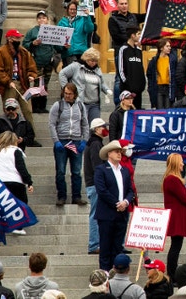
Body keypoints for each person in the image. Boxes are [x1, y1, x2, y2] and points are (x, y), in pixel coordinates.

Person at [94, 139, 136, 270]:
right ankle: (105, 273)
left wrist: (126, 202)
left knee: (118, 246)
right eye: (117, 152)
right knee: (106, 246)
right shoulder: (101, 169)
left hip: (121, 214)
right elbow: (101, 190)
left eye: (120, 152)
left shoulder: (124, 171)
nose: (120, 154)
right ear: (109, 154)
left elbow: (130, 190)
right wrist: (117, 203)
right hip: (107, 213)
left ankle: (117, 271)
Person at [0, 130, 33, 246]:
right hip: (15, 182)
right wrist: (29, 182)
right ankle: (18, 226)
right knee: (21, 203)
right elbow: (21, 168)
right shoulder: (16, 151)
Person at [48, 83, 89, 207]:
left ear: (75, 94)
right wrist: (56, 141)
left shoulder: (81, 106)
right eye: (65, 93)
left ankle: (76, 196)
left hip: (76, 141)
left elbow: (85, 124)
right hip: (62, 140)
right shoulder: (58, 105)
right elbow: (51, 124)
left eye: (70, 94)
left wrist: (84, 140)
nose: (67, 96)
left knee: (76, 171)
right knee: (60, 171)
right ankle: (61, 196)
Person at [0, 28, 38, 128]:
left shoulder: (24, 51)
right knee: (9, 110)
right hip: (9, 86)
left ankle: (31, 135)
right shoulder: (0, 52)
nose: (19, 40)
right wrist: (7, 81)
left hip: (23, 84)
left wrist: (31, 75)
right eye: (17, 38)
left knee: (28, 111)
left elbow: (32, 66)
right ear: (10, 39)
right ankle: (9, 133)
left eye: (19, 38)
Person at [22, 10, 64, 114]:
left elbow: (57, 46)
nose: (42, 20)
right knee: (37, 84)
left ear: (47, 20)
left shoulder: (51, 31)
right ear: (37, 20)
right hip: (37, 62)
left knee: (45, 84)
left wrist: (64, 46)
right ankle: (35, 106)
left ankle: (42, 106)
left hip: (48, 62)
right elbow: (24, 44)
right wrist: (33, 43)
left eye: (44, 18)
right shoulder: (33, 31)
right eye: (40, 18)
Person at [58, 48, 105, 121]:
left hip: (95, 104)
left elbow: (101, 82)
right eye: (91, 60)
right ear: (86, 59)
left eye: (95, 61)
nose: (93, 63)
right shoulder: (76, 66)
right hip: (81, 102)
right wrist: (67, 88)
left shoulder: (97, 68)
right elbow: (62, 74)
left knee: (95, 127)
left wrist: (107, 90)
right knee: (81, 125)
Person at [84, 117, 108, 255]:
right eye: (103, 126)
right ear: (97, 129)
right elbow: (97, 166)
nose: (105, 129)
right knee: (95, 215)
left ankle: (96, 243)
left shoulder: (95, 143)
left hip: (93, 184)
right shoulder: (95, 144)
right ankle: (94, 245)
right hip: (95, 185)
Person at [58, 0, 98, 66]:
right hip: (67, 53)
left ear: (78, 10)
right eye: (71, 9)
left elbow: (90, 29)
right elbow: (58, 37)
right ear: (67, 9)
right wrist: (63, 47)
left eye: (74, 9)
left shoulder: (83, 19)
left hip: (80, 52)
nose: (72, 11)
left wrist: (87, 17)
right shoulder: (62, 21)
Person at [116, 28, 147, 108]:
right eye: (138, 34)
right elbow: (120, 68)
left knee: (137, 110)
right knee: (127, 110)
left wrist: (142, 82)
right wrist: (126, 82)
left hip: (138, 88)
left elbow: (140, 67)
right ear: (132, 36)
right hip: (127, 88)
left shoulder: (139, 50)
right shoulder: (123, 49)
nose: (140, 36)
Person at [146, 38, 178, 110]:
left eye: (170, 46)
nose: (169, 48)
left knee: (168, 109)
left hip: (168, 87)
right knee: (159, 109)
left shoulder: (172, 60)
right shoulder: (154, 60)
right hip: (158, 88)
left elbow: (175, 74)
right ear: (161, 48)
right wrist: (150, 88)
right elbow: (149, 75)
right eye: (167, 46)